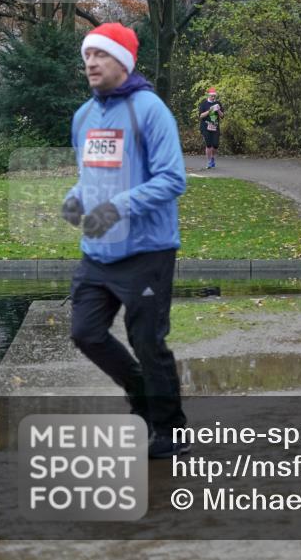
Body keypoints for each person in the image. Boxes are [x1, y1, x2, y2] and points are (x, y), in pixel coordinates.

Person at [62, 23, 188, 458]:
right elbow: (89, 177)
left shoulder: (150, 110)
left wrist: (117, 206)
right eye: (87, 55)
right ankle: (141, 396)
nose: (91, 63)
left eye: (101, 54)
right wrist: (75, 198)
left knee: (148, 343)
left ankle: (170, 430)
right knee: (86, 333)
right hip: (97, 253)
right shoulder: (83, 116)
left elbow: (173, 179)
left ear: (124, 61)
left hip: (146, 251)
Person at [198, 87, 224, 169]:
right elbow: (201, 116)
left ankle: (212, 158)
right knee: (208, 144)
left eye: (214, 96)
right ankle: (209, 161)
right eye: (212, 96)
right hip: (205, 127)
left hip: (215, 127)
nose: (213, 97)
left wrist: (218, 110)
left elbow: (222, 116)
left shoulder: (218, 103)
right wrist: (209, 111)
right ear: (208, 95)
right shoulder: (204, 104)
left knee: (215, 145)